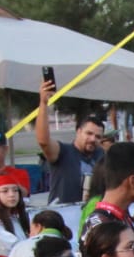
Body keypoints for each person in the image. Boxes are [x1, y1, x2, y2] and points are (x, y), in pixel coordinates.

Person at [36, 78, 105, 206]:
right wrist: (43, 103)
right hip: (63, 214)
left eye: (98, 137)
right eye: (89, 133)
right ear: (78, 131)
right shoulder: (64, 151)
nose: (93, 139)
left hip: (91, 213)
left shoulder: (101, 155)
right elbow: (43, 141)